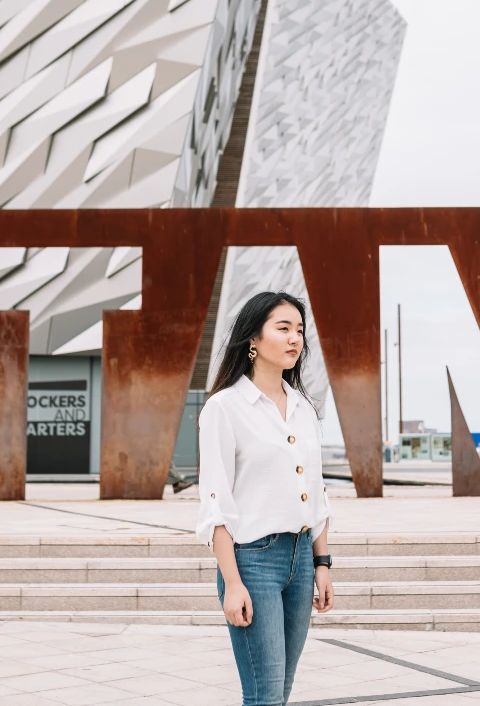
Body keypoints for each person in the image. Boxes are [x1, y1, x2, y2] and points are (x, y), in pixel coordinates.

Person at [196, 291, 335, 706]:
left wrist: (322, 564)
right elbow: (216, 503)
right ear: (253, 340)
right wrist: (232, 584)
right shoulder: (224, 408)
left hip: (300, 560)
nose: (295, 339)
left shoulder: (303, 408)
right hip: (252, 561)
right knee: (265, 694)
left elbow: (317, 493)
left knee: (281, 690)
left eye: (299, 330)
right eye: (283, 328)